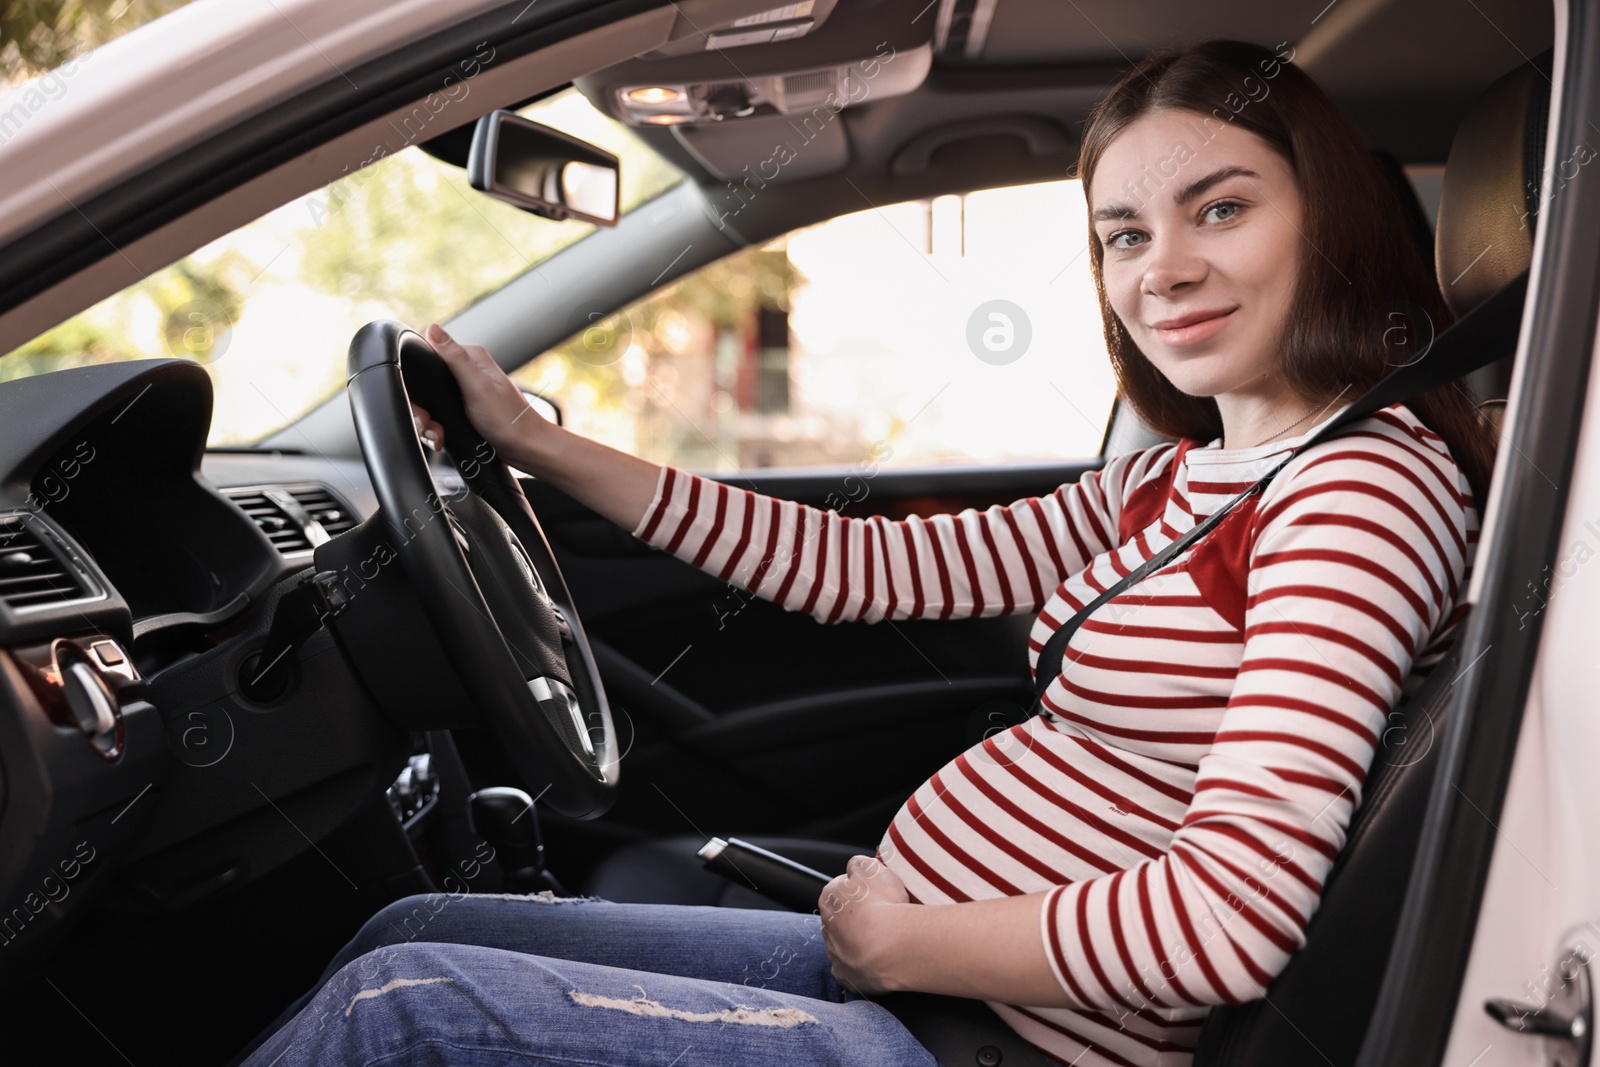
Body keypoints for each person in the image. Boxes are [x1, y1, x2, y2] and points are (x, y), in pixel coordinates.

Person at [238, 38, 1489, 1067]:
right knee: (412, 923)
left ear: (1323, 218)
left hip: (992, 1039)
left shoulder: (1356, 493)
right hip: (916, 976)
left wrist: (901, 947)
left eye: (1219, 208)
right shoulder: (1181, 476)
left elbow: (1222, 922)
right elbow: (861, 569)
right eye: (1121, 234)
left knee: (389, 1010)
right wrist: (532, 444)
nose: (1163, 270)